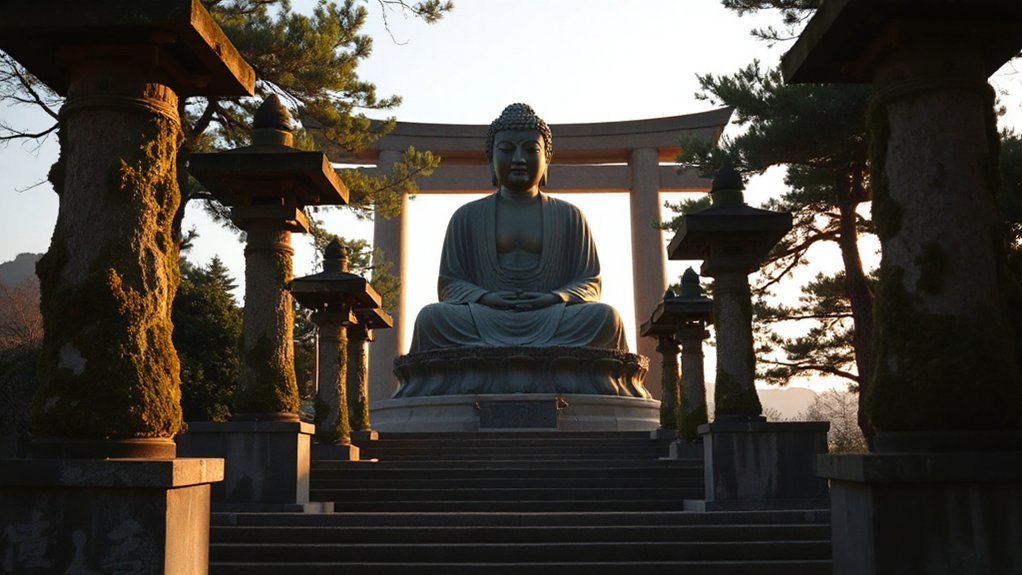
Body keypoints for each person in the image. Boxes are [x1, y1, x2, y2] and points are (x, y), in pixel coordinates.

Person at [408, 103, 628, 353]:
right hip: (484, 317)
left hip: (553, 316)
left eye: (530, 149)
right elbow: (450, 283)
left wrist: (556, 297)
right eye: (506, 150)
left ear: (547, 159)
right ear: (491, 159)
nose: (519, 159)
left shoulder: (570, 216)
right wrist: (486, 297)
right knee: (432, 319)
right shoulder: (466, 216)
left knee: (605, 318)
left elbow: (589, 281)